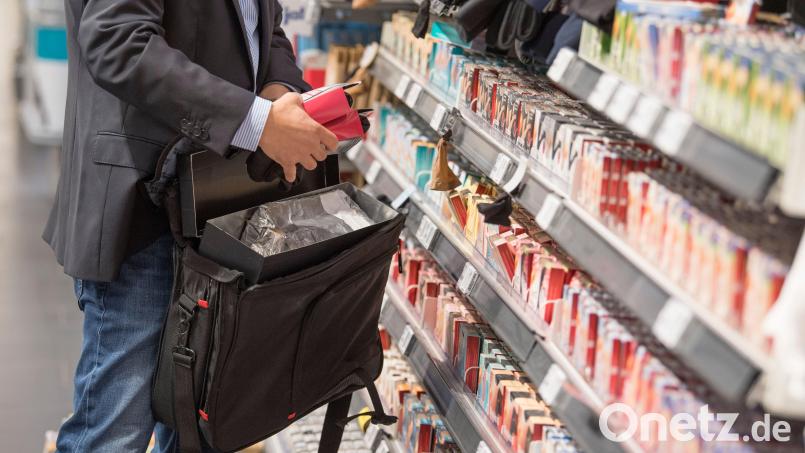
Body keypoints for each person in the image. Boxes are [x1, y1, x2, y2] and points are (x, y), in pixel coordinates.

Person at [43, 0, 337, 451]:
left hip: (216, 206)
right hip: (143, 209)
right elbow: (117, 42)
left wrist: (279, 91)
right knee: (114, 429)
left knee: (195, 430)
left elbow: (262, 26)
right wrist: (256, 122)